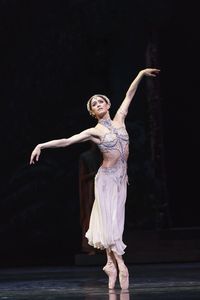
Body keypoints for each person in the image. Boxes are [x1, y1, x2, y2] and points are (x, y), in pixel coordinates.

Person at [30, 68, 160, 290]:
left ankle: (109, 263)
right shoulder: (94, 131)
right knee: (109, 222)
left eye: (101, 102)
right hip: (106, 179)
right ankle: (120, 263)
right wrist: (41, 145)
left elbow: (129, 94)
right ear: (93, 112)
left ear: (108, 105)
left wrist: (139, 74)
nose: (99, 105)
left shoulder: (120, 119)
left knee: (116, 223)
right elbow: (67, 141)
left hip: (121, 179)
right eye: (94, 105)